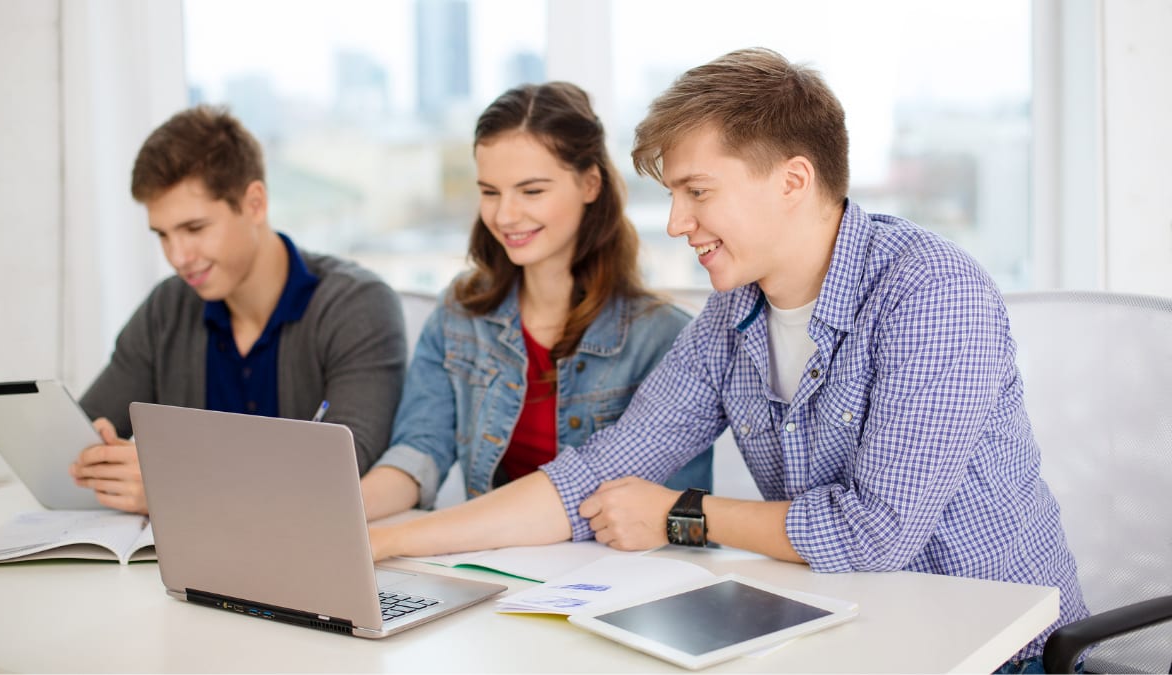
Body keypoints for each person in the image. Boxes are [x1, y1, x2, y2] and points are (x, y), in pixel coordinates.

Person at [366, 50, 1089, 670]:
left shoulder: (931, 293)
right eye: (674, 195)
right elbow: (601, 471)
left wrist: (683, 514)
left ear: (793, 182)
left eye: (697, 192)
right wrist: (382, 542)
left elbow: (874, 531)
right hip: (848, 634)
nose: (678, 224)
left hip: (997, 652)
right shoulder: (732, 315)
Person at [358, 82, 712, 520]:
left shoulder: (664, 337)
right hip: (489, 558)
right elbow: (419, 452)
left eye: (531, 191)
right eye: (490, 192)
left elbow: (675, 516)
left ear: (590, 184)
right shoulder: (461, 312)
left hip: (610, 573)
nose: (504, 215)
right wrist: (339, 516)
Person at [70, 105, 408, 514]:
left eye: (195, 229)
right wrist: (96, 451)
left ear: (254, 204)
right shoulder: (169, 306)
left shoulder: (357, 306)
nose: (178, 256)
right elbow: (87, 425)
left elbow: (343, 469)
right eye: (163, 234)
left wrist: (174, 485)